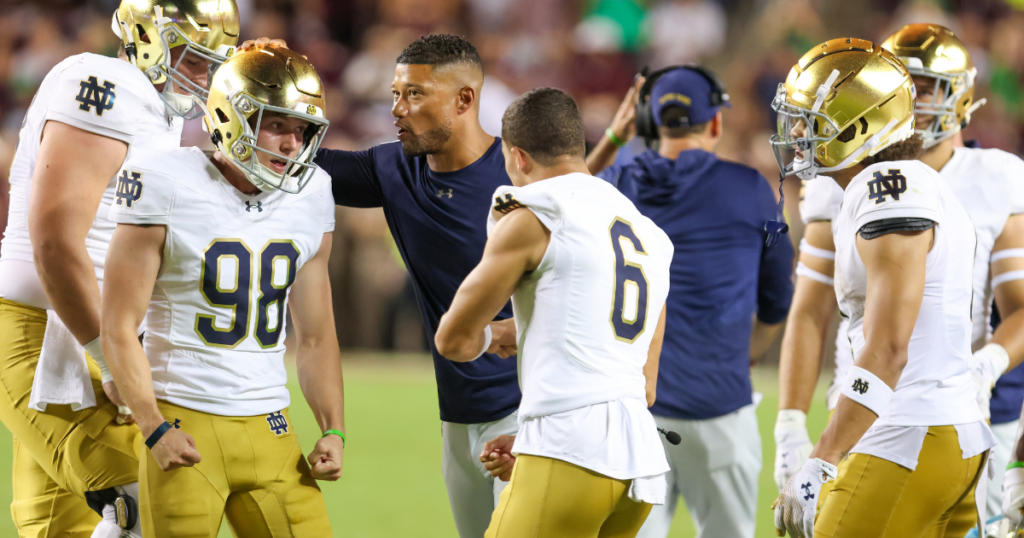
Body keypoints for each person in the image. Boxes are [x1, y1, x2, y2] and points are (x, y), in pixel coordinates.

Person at [0, 1, 238, 536]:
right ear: (147, 37)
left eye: (212, 63)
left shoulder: (155, 110)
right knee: (151, 494)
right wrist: (109, 357)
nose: (202, 77)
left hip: (79, 331)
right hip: (44, 329)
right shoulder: (107, 84)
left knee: (57, 528)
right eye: (191, 57)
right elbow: (57, 241)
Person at [773, 24, 1024, 526]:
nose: (798, 133)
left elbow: (889, 349)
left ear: (859, 125)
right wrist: (793, 421)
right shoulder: (905, 182)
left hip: (906, 427)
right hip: (937, 427)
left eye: (813, 120)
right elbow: (815, 314)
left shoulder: (888, 188)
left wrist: (822, 457)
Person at [100, 46, 341, 538]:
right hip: (186, 421)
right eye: (277, 125)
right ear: (233, 118)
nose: (293, 144)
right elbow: (119, 326)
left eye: (302, 130)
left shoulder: (313, 192)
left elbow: (316, 336)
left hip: (273, 426)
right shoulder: (166, 180)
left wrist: (333, 428)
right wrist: (153, 427)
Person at [307, 34, 521, 537]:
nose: (397, 109)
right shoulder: (394, 170)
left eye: (415, 95)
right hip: (457, 418)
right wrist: (254, 81)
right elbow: (289, 159)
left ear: (465, 100)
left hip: (527, 414)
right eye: (395, 95)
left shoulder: (520, 178)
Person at [435, 87, 673, 538]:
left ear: (519, 157)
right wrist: (530, 443)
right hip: (638, 464)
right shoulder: (648, 234)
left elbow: (453, 339)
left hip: (569, 446)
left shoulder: (536, 214)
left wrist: (495, 337)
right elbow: (644, 385)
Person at [588, 66, 795, 538]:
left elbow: (558, 198)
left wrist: (613, 141)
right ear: (716, 123)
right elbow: (779, 298)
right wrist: (746, 356)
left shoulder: (615, 182)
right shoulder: (749, 188)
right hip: (719, 405)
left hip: (630, 409)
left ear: (644, 121)